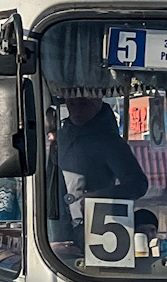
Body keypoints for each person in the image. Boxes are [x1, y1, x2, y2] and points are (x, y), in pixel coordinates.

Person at [49, 96, 149, 250]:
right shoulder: (60, 138)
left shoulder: (109, 142)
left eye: (83, 103)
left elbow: (137, 184)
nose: (76, 110)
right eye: (72, 103)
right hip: (53, 229)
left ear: (97, 103)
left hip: (95, 228)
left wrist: (98, 195)